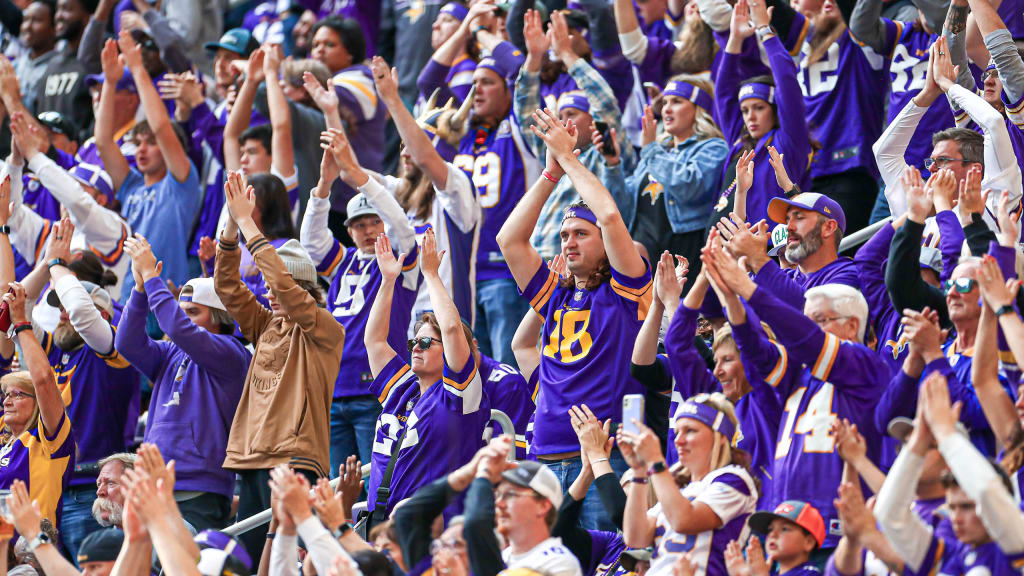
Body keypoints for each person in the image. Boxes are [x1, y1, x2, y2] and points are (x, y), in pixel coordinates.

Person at [497, 108, 651, 530]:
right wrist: (550, 175)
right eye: (564, 236)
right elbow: (509, 240)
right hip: (545, 454)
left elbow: (610, 216)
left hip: (603, 453)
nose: (568, 243)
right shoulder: (557, 296)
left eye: (580, 234)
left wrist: (570, 160)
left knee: (608, 562)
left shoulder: (625, 292)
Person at [704, 240, 891, 551]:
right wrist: (732, 300)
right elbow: (755, 352)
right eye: (810, 321)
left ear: (852, 325)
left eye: (818, 321)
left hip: (838, 535)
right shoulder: (800, 374)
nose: (808, 330)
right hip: (786, 529)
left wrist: (750, 290)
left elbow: (805, 339)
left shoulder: (866, 366)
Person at [373, 52, 540, 365]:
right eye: (473, 83)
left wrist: (476, 21)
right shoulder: (460, 140)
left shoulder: (516, 129)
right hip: (466, 270)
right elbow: (429, 83)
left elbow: (523, 74)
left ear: (507, 90)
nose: (476, 91)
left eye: (488, 82)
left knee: (505, 370)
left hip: (506, 271)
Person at [214, 170, 345, 560]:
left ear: (302, 286)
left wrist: (248, 224)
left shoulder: (324, 327)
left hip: (295, 457)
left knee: (290, 557)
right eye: (268, 287)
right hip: (251, 454)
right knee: (257, 562)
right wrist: (229, 233)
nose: (268, 292)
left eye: (276, 286)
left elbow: (285, 288)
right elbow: (227, 288)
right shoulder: (266, 324)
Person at [301, 128, 419, 477]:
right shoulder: (343, 262)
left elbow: (402, 227)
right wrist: (323, 187)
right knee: (342, 484)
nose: (368, 231)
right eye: (358, 225)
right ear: (348, 230)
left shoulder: (400, 262)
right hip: (335, 389)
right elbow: (311, 243)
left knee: (378, 478)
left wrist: (363, 181)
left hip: (378, 388)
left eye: (374, 222)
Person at [115, 234, 250, 532]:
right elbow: (125, 342)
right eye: (183, 311)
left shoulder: (230, 352)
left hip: (199, 489)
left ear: (218, 316)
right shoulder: (170, 352)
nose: (185, 319)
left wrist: (151, 276)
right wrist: (139, 289)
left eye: (193, 312)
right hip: (154, 484)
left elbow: (176, 326)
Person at [27, 219, 138, 559]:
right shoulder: (60, 353)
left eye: (66, 307)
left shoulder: (113, 349)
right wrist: (47, 263)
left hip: (95, 492)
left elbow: (81, 312)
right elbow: (15, 315)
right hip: (55, 491)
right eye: (58, 308)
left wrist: (61, 265)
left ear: (102, 312)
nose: (61, 314)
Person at [362, 228, 489, 521]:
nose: (415, 348)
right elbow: (375, 341)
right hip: (382, 525)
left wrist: (431, 275)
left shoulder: (459, 395)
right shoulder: (402, 389)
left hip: (430, 531)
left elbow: (453, 329)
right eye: (413, 342)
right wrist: (388, 281)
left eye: (426, 342)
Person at [875, 373, 1024, 575]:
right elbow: (887, 514)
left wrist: (945, 433)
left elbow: (987, 492)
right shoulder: (950, 554)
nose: (956, 518)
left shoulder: (1015, 540)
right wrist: (920, 438)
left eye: (967, 507)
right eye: (952, 508)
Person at [517, 9, 635, 263]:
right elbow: (526, 111)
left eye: (572, 113)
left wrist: (567, 55)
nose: (562, 121)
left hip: (590, 267)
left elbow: (604, 103)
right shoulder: (554, 156)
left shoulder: (611, 152)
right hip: (543, 264)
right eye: (560, 114)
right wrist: (535, 57)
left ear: (593, 122)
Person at [96, 32, 199, 293]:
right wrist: (110, 82)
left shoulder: (181, 183)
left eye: (151, 143)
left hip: (168, 294)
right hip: (129, 296)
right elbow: (103, 141)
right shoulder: (131, 185)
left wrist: (138, 68)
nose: (141, 150)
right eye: (137, 142)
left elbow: (162, 126)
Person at [602, 81, 727, 290]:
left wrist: (650, 147)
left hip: (683, 252)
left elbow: (689, 187)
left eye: (676, 101)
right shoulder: (657, 152)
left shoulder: (713, 147)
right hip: (642, 255)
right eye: (665, 102)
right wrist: (613, 165)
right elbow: (621, 209)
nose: (666, 108)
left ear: (699, 109)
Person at [619, 393, 758, 576]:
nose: (678, 440)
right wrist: (639, 470)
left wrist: (655, 460)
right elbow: (636, 537)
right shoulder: (679, 489)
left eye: (690, 430)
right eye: (677, 432)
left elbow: (683, 520)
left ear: (721, 436)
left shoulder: (735, 479)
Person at [712, 0, 811, 227]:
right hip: (728, 248)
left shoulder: (787, 142)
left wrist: (766, 31)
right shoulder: (740, 141)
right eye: (745, 110)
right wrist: (735, 39)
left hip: (772, 250)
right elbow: (724, 93)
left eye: (759, 108)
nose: (750, 117)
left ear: (775, 110)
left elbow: (786, 82)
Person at [0, 279, 74, 527]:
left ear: (38, 402)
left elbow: (43, 379)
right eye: (6, 395)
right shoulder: (4, 436)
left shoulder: (48, 438)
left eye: (18, 394)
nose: (8, 401)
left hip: (34, 556)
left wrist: (21, 323)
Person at [462, 438, 584, 576]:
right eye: (498, 495)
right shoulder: (505, 555)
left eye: (509, 495)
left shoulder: (558, 563)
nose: (499, 504)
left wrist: (484, 474)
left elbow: (475, 524)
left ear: (543, 506)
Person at [738, 501, 826, 576]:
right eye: (770, 529)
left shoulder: (810, 573)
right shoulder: (771, 573)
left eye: (784, 529)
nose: (773, 534)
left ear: (808, 542)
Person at [92, 453, 135, 528]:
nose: (99, 492)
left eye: (110, 483)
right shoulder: (104, 539)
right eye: (99, 484)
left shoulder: (159, 536)